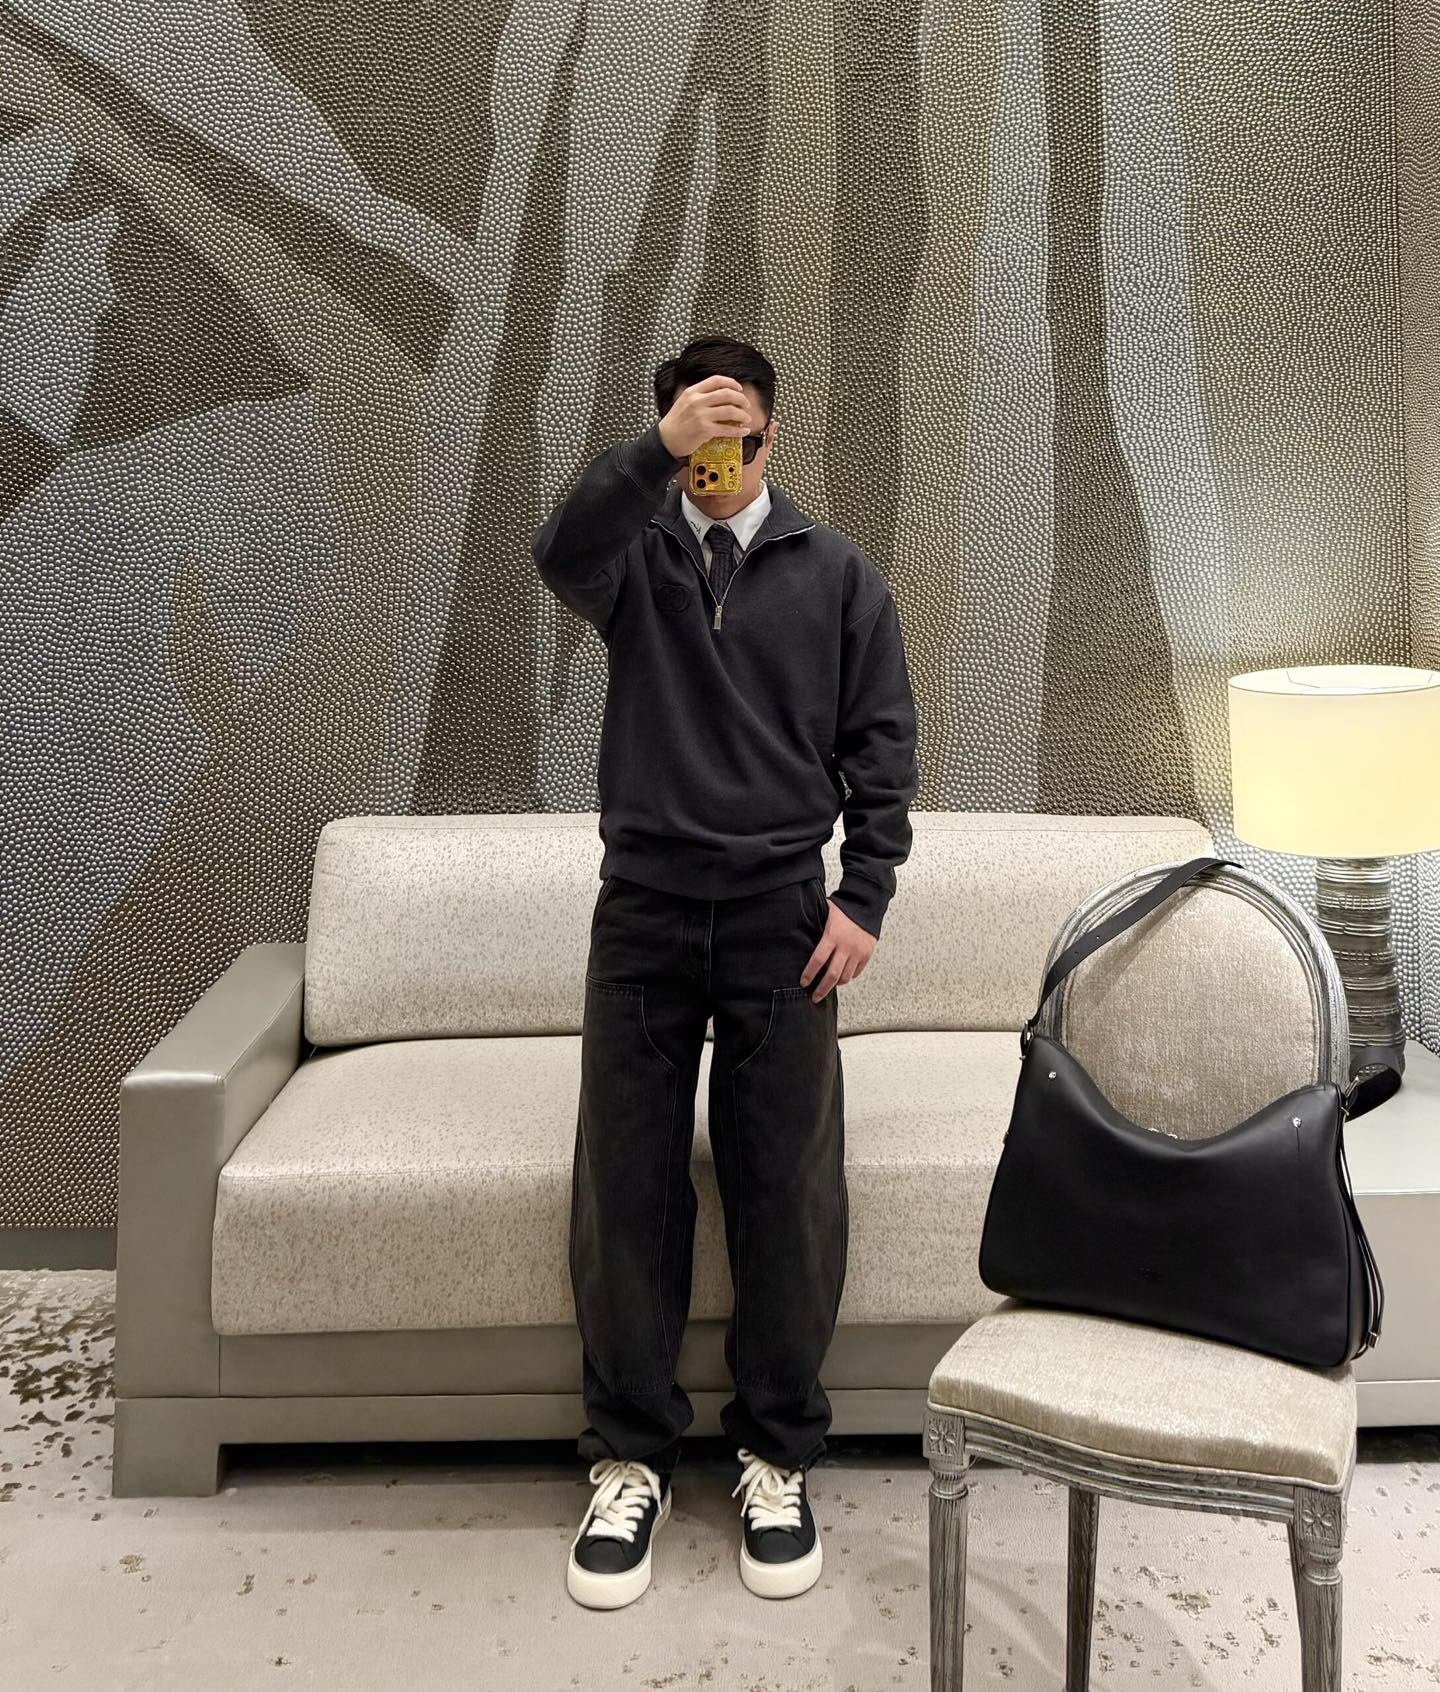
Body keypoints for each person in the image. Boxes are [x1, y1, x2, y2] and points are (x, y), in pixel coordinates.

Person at [532, 335, 920, 1610]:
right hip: (644, 913)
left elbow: (882, 747)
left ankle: (777, 1455)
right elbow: (557, 550)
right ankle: (629, 1458)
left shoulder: (838, 572)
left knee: (786, 1190)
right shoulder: (631, 560)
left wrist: (863, 898)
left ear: (771, 438)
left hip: (779, 920)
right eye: (696, 431)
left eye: (737, 429)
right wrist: (652, 452)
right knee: (627, 1187)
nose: (718, 453)